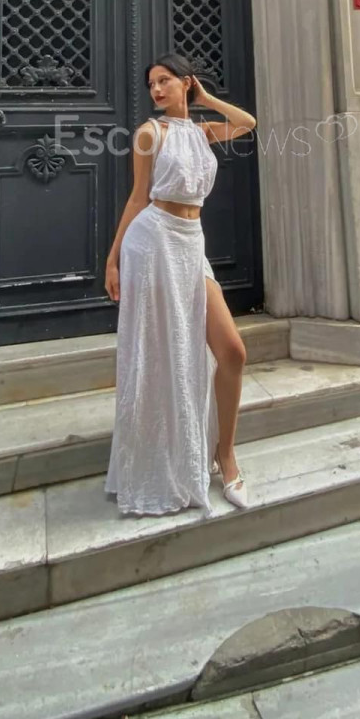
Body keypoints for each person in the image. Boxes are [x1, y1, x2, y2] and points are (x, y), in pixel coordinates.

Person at [104, 52, 257, 517]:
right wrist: (113, 260)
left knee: (233, 352)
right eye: (152, 83)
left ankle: (224, 455)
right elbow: (137, 199)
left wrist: (206, 98)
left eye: (165, 80)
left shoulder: (202, 131)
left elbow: (247, 123)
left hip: (192, 243)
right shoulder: (150, 134)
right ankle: (161, 455)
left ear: (185, 83)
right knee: (160, 352)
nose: (156, 89)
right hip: (153, 243)